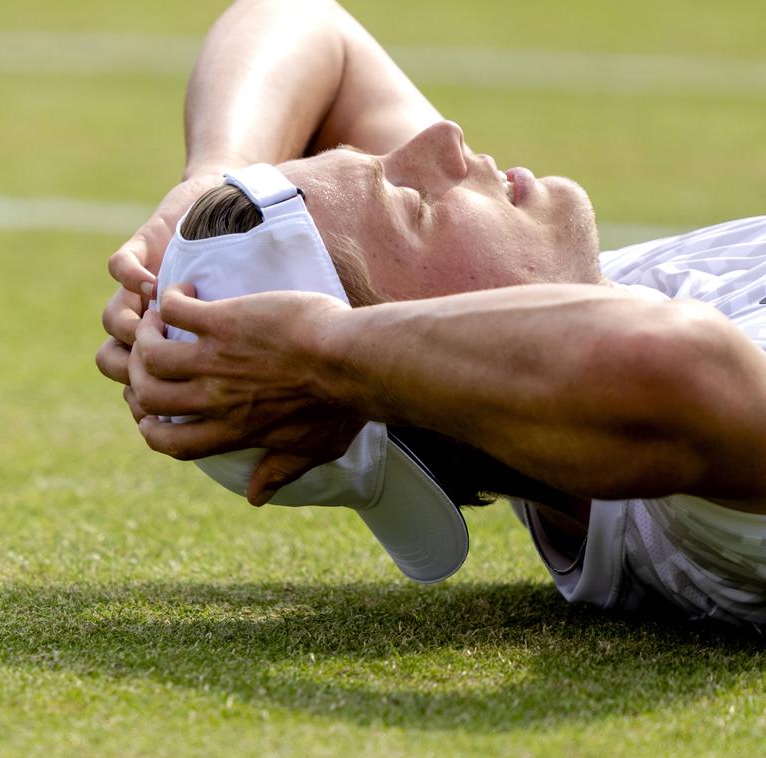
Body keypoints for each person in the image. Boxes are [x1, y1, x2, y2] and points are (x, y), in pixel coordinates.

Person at [95, 0, 766, 624]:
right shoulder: (695, 519)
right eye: (412, 206)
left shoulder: (574, 293)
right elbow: (663, 362)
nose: (442, 140)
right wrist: (319, 352)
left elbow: (304, 18)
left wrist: (216, 170)